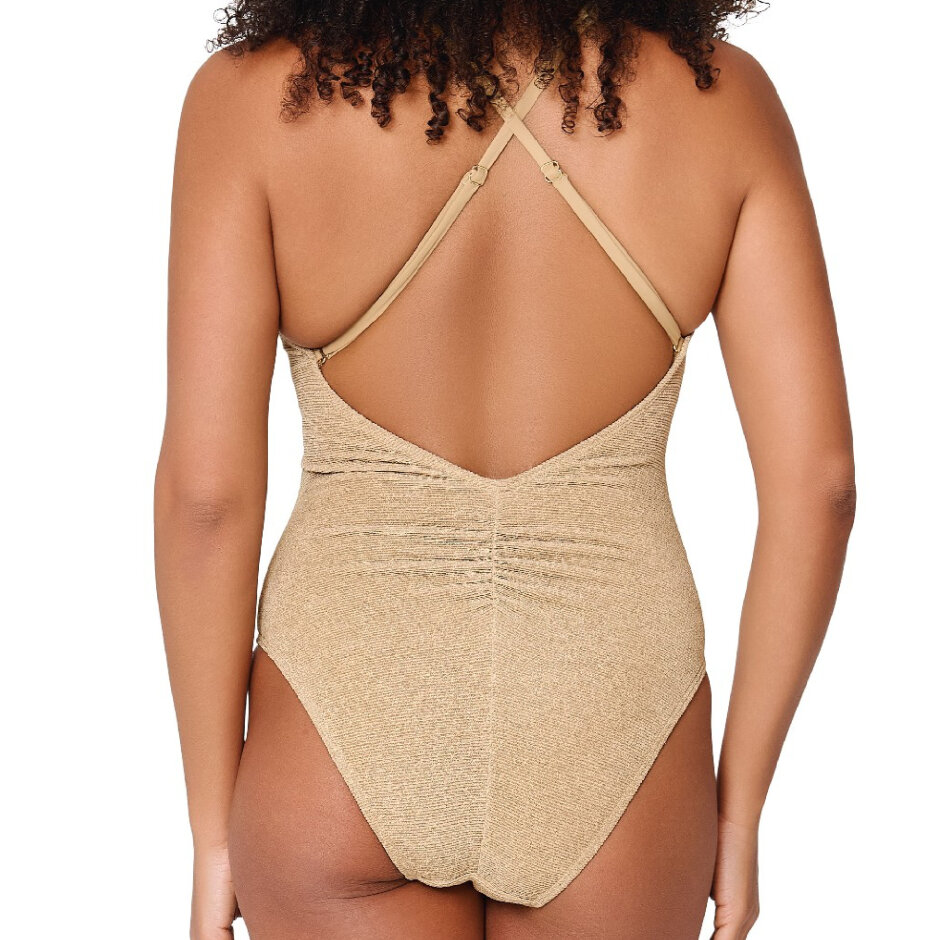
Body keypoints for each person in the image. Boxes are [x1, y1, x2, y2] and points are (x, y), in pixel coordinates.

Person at [153, 3, 856, 938]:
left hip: (343, 718)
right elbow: (820, 489)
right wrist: (740, 807)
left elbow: (206, 502)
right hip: (614, 719)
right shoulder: (722, 101)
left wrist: (214, 832)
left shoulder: (253, 100)